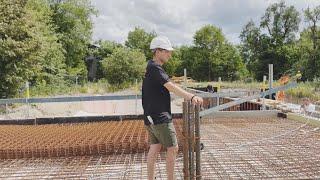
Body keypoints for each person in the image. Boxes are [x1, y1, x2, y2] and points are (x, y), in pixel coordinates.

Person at [142, 36, 203, 180]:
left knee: (155, 148)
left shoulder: (151, 67)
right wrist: (192, 97)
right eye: (167, 51)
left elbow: (168, 86)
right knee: (173, 148)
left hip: (150, 117)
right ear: (158, 51)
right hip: (160, 117)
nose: (170, 54)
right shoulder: (155, 68)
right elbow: (171, 87)